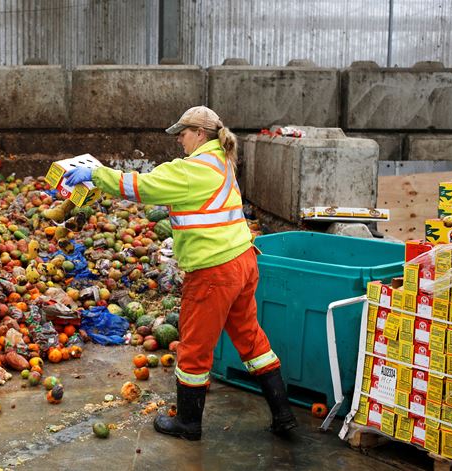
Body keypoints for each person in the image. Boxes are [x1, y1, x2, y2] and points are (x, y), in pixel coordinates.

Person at [63, 106, 297, 440]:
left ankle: (188, 423)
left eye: (183, 134)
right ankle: (283, 415)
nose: (179, 141)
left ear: (200, 134)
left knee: (194, 348)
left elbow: (142, 186)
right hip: (243, 261)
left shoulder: (192, 170)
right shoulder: (222, 161)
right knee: (250, 338)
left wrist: (96, 174)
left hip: (214, 271)